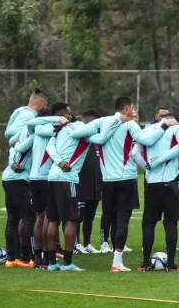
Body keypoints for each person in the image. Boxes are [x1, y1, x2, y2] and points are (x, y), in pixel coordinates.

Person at [68, 96, 176, 271]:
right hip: (126, 178)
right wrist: (165, 125)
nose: (134, 111)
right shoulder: (129, 124)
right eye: (132, 107)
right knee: (122, 220)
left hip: (107, 180)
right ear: (126, 108)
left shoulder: (101, 121)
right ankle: (117, 262)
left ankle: (110, 251)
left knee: (110, 217)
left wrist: (93, 139)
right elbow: (147, 141)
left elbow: (76, 133)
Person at [44, 108, 125, 271]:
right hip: (68, 179)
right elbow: (101, 139)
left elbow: (49, 147)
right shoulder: (79, 129)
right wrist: (117, 121)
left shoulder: (61, 131)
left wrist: (59, 161)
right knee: (72, 220)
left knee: (53, 220)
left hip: (52, 177)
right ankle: (67, 263)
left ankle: (51, 262)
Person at [134, 113, 179, 271]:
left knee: (149, 223)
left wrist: (146, 168)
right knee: (171, 222)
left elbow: (134, 154)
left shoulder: (148, 129)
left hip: (152, 183)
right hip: (170, 183)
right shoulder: (177, 128)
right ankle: (171, 264)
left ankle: (145, 263)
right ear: (173, 120)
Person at [2, 107, 56, 268]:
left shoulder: (24, 131)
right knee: (30, 218)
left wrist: (12, 162)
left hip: (8, 177)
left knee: (14, 218)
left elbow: (13, 146)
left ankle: (12, 258)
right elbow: (18, 147)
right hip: (21, 179)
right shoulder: (37, 133)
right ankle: (29, 257)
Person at [22, 104, 71, 268]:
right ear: (61, 115)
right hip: (45, 178)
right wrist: (59, 121)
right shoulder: (54, 130)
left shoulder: (37, 129)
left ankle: (37, 257)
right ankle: (45, 256)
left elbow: (30, 128)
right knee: (48, 218)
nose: (69, 117)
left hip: (34, 178)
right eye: (67, 114)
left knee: (39, 217)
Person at [74, 109, 104, 254]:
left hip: (95, 186)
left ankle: (87, 243)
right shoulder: (78, 139)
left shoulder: (97, 142)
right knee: (76, 217)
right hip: (80, 186)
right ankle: (76, 244)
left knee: (89, 218)